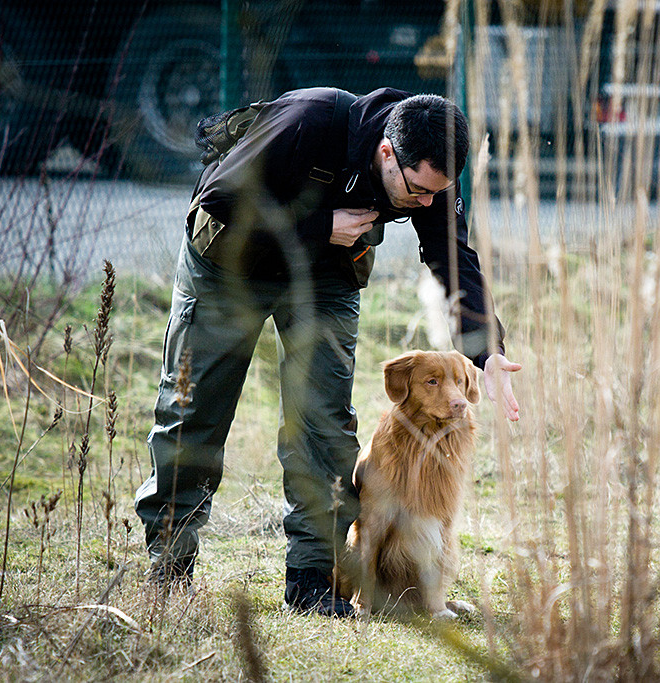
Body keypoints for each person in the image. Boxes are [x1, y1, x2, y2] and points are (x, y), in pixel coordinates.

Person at [134, 86, 521, 617]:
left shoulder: (429, 174)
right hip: (229, 266)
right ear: (386, 153)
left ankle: (313, 581)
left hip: (326, 274)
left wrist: (485, 351)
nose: (428, 204)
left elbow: (452, 257)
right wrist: (319, 226)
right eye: (418, 191)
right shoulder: (306, 123)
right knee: (194, 413)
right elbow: (218, 203)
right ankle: (168, 570)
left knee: (323, 425)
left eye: (440, 192)